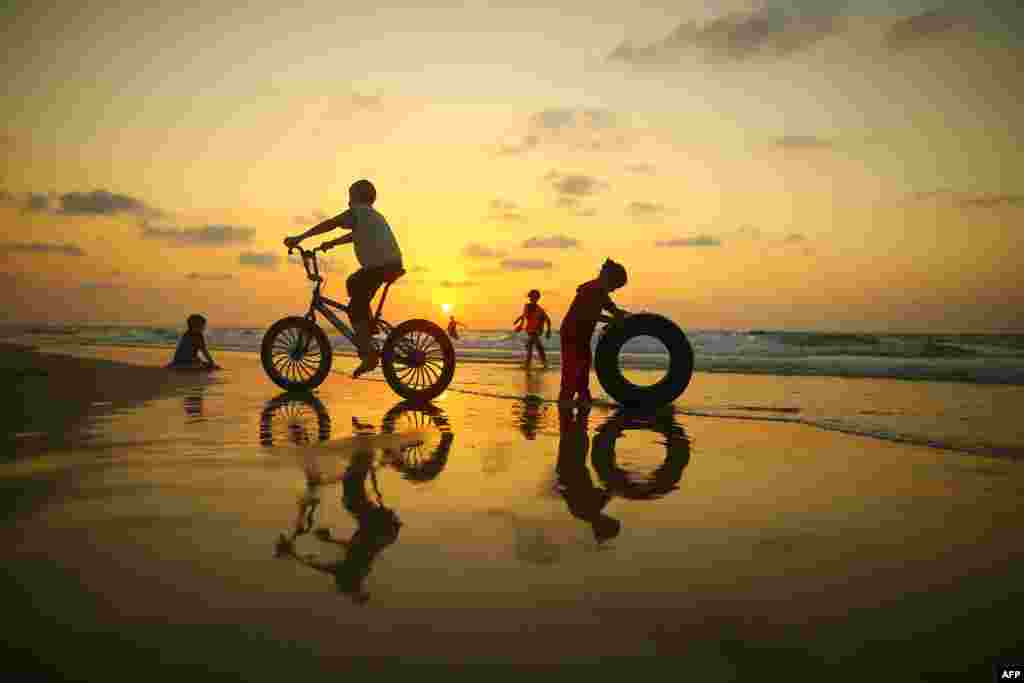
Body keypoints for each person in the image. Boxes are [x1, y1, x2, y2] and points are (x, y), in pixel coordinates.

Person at [284, 179, 404, 378]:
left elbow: (331, 223)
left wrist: (300, 238)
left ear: (356, 197)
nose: (348, 201)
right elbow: (355, 236)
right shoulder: (371, 216)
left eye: (350, 196)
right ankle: (367, 329)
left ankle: (368, 352)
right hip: (389, 264)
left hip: (380, 267)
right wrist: (331, 243)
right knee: (354, 283)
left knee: (356, 301)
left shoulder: (359, 212)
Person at [559, 259, 629, 404]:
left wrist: (629, 317)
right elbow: (589, 314)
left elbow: (614, 311)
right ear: (608, 278)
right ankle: (566, 401)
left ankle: (583, 398)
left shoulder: (601, 292)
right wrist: (613, 321)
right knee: (573, 369)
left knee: (583, 366)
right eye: (615, 286)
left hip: (582, 336)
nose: (615, 289)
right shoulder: (591, 289)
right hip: (572, 334)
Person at [555, 402, 621, 544]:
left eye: (608, 520)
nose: (608, 516)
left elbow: (608, 492)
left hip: (572, 465)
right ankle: (572, 403)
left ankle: (574, 402)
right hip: (567, 467)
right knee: (571, 431)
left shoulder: (591, 509)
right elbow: (607, 493)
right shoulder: (584, 512)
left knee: (577, 431)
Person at [513, 289, 552, 368]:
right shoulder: (527, 306)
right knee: (537, 346)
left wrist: (548, 331)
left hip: (536, 330)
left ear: (537, 298)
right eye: (531, 297)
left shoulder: (540, 310)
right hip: (530, 330)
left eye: (534, 297)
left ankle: (529, 364)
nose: (531, 299)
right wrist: (520, 323)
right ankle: (542, 363)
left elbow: (548, 320)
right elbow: (525, 315)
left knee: (533, 346)